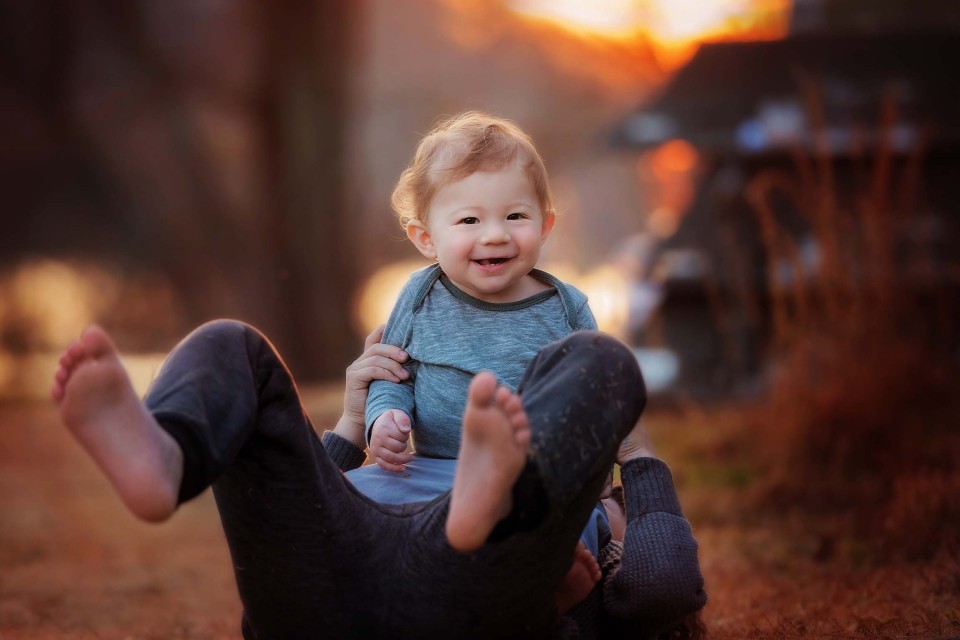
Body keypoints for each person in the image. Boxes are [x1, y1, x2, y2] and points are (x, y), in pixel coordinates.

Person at [359, 111, 603, 552]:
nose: (494, 235)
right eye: (469, 221)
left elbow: (596, 397)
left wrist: (595, 457)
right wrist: (384, 419)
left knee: (573, 522)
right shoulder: (420, 295)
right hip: (432, 471)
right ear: (425, 238)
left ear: (544, 226)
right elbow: (391, 376)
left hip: (532, 478)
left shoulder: (566, 310)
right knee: (358, 495)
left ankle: (559, 589)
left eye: (514, 216)